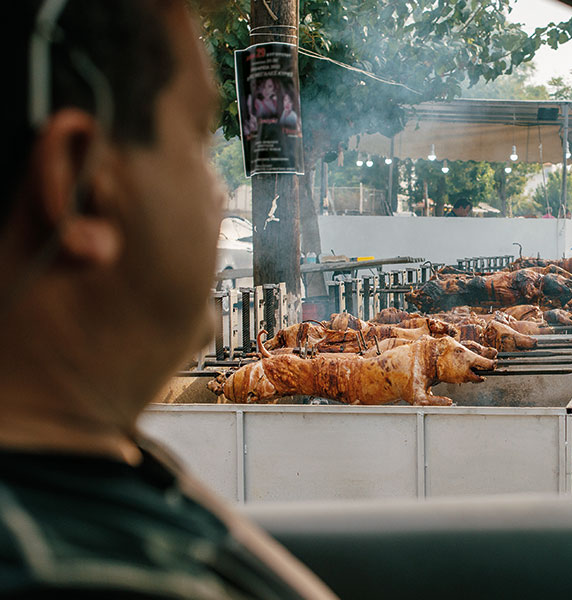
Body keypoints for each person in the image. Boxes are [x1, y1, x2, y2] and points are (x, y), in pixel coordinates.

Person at [0, 1, 336, 597]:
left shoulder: (100, 465)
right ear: (83, 186)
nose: (217, 199)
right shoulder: (76, 575)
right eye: (198, 142)